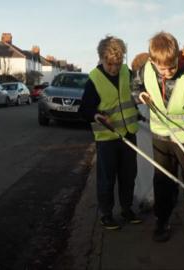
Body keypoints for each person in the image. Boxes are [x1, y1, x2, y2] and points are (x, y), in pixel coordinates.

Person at [131, 31, 184, 249]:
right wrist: (139, 95)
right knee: (162, 182)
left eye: (172, 67)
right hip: (160, 137)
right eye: (163, 69)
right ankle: (162, 221)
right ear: (152, 61)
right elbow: (135, 88)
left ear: (178, 56)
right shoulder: (146, 70)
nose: (168, 72)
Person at [80, 35, 142, 230]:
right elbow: (85, 109)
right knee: (107, 179)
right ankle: (106, 214)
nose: (114, 69)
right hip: (107, 138)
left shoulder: (127, 72)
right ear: (101, 58)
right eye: (110, 65)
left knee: (128, 175)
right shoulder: (94, 79)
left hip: (129, 135)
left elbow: (135, 94)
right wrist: (97, 116)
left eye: (117, 64)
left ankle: (127, 209)